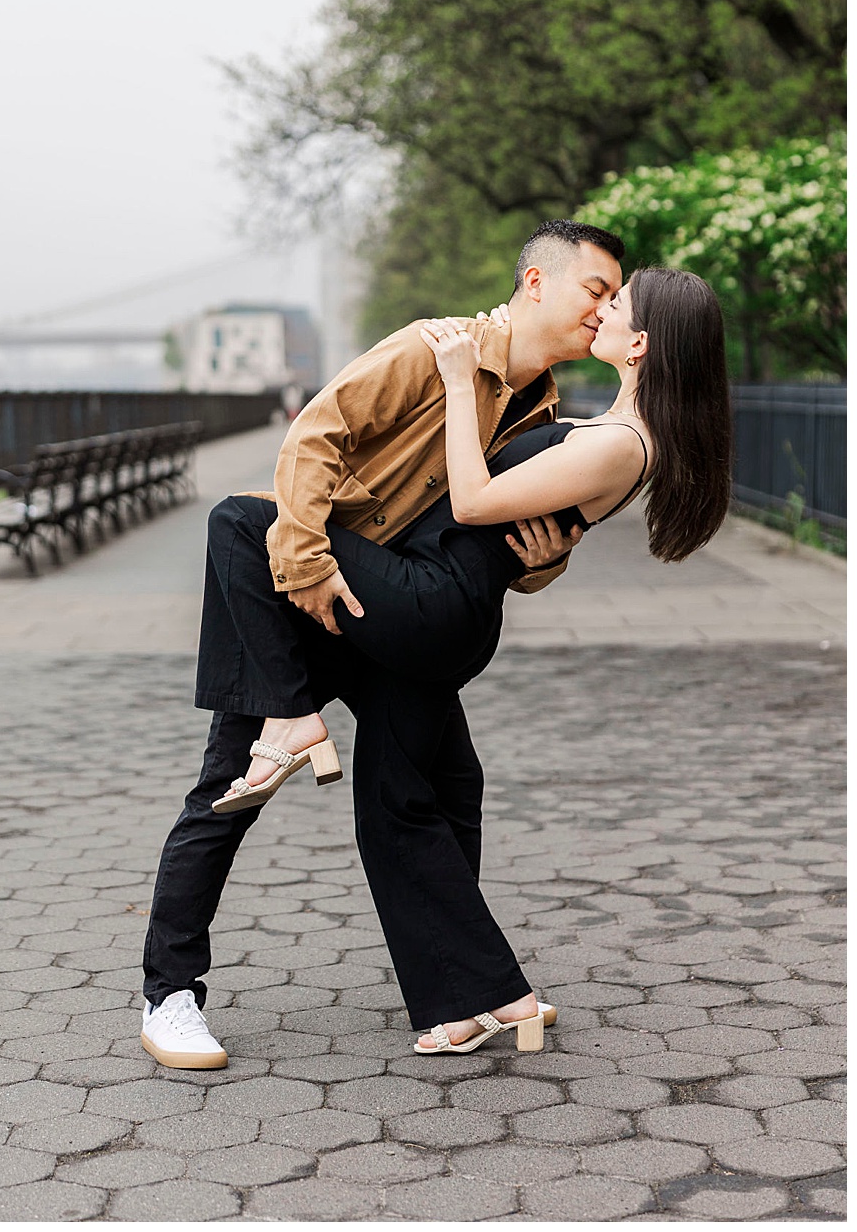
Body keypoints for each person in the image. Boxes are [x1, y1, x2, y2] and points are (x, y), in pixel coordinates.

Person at [140, 221, 636, 1069]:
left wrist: (543, 566)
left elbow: (496, 550)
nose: (604, 309)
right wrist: (301, 565)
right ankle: (170, 995)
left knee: (446, 784)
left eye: (613, 297)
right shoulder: (431, 349)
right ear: (536, 282)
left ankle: (468, 988)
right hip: (314, 599)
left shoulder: (547, 409)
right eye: (595, 289)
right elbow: (315, 435)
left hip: (401, 613)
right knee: (229, 790)